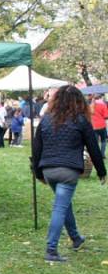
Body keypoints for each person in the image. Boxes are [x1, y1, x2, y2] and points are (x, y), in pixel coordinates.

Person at [31, 85, 106, 263]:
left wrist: (38, 172)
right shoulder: (81, 120)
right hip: (68, 170)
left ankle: (76, 238)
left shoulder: (47, 119)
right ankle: (51, 249)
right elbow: (93, 148)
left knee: (63, 204)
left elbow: (36, 147)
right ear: (78, 101)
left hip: (48, 170)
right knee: (60, 207)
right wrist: (102, 172)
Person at [91, 94, 107, 158]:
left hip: (93, 126)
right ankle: (102, 154)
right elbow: (106, 116)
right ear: (100, 98)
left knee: (96, 141)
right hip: (102, 125)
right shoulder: (103, 105)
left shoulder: (91, 105)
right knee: (103, 140)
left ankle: (96, 155)